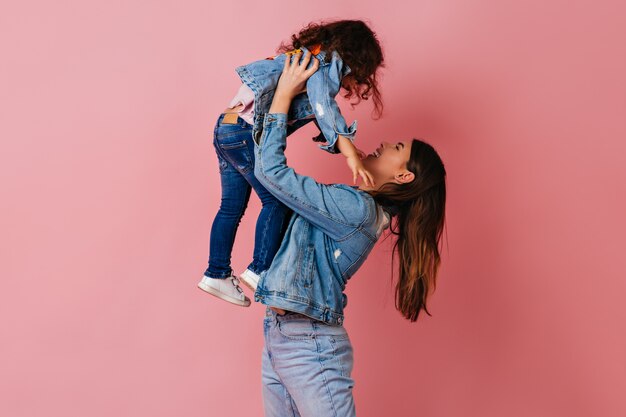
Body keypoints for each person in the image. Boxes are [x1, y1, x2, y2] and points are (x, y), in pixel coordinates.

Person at [253, 51, 447, 416]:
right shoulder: (359, 206)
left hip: (308, 344)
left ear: (404, 176)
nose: (387, 144)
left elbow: (272, 173)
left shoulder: (356, 210)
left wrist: (283, 95)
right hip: (282, 334)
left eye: (398, 149)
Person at [198, 20, 385, 306]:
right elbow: (324, 106)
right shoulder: (326, 63)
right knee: (277, 202)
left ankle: (216, 273)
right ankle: (259, 270)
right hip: (245, 131)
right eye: (360, 77)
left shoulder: (306, 55)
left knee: (230, 207)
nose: (354, 85)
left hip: (226, 126)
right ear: (356, 60)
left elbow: (318, 115)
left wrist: (347, 146)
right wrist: (349, 155)